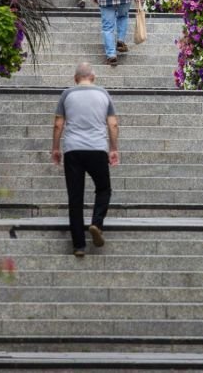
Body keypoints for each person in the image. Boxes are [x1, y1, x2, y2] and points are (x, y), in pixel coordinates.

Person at [52, 61, 120, 258]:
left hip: (73, 150)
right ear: (93, 77)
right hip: (97, 149)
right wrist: (113, 149)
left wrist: (56, 148)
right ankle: (96, 223)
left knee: (75, 197)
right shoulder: (103, 93)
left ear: (75, 79)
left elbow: (58, 124)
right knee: (104, 189)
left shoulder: (67, 94)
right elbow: (113, 124)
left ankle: (79, 246)